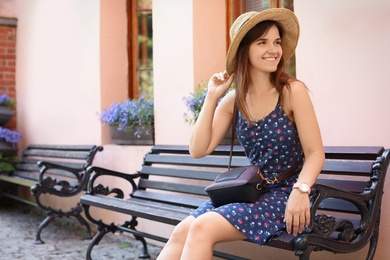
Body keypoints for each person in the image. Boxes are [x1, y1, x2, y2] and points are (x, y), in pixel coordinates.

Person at [157, 8, 324, 260]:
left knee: (202, 227)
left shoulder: (291, 91)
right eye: (262, 42)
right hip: (250, 191)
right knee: (182, 230)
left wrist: (301, 191)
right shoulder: (234, 101)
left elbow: (315, 153)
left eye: (277, 42)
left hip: (286, 194)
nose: (274, 50)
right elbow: (198, 150)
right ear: (244, 49)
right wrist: (212, 97)